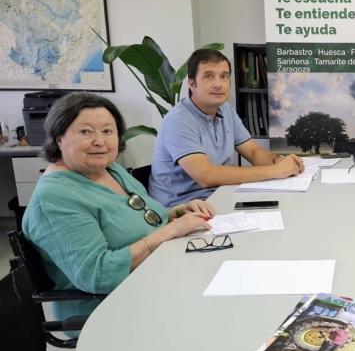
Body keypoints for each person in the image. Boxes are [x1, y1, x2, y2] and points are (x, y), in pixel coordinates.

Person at [22, 92, 214, 322]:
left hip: (156, 279)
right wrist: (170, 230)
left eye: (107, 131)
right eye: (85, 132)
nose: (99, 141)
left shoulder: (110, 170)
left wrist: (178, 212)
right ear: (59, 138)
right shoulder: (54, 198)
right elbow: (97, 275)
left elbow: (140, 219)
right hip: (108, 309)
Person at [149, 49, 304, 207]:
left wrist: (277, 161)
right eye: (209, 76)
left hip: (220, 195)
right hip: (183, 208)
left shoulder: (226, 110)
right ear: (192, 84)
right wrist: (276, 170)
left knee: (287, 206)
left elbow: (253, 151)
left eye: (224, 76)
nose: (218, 84)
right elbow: (206, 176)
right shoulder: (178, 120)